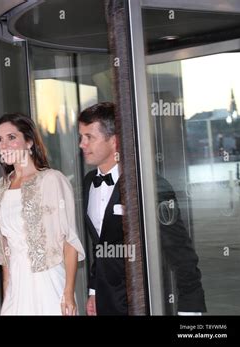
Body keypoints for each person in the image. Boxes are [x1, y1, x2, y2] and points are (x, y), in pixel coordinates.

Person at [78, 102, 206, 315]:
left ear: (114, 141)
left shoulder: (150, 186)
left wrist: (190, 308)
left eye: (89, 137)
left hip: (144, 301)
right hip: (105, 302)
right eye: (81, 137)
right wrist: (93, 289)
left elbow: (180, 251)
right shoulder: (89, 182)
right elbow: (100, 245)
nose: (82, 144)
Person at [0, 113, 85, 315]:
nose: (4, 145)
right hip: (17, 287)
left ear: (29, 141)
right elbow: (5, 253)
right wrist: (8, 298)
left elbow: (69, 242)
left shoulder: (52, 180)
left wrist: (68, 293)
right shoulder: (1, 188)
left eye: (11, 137)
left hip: (49, 284)